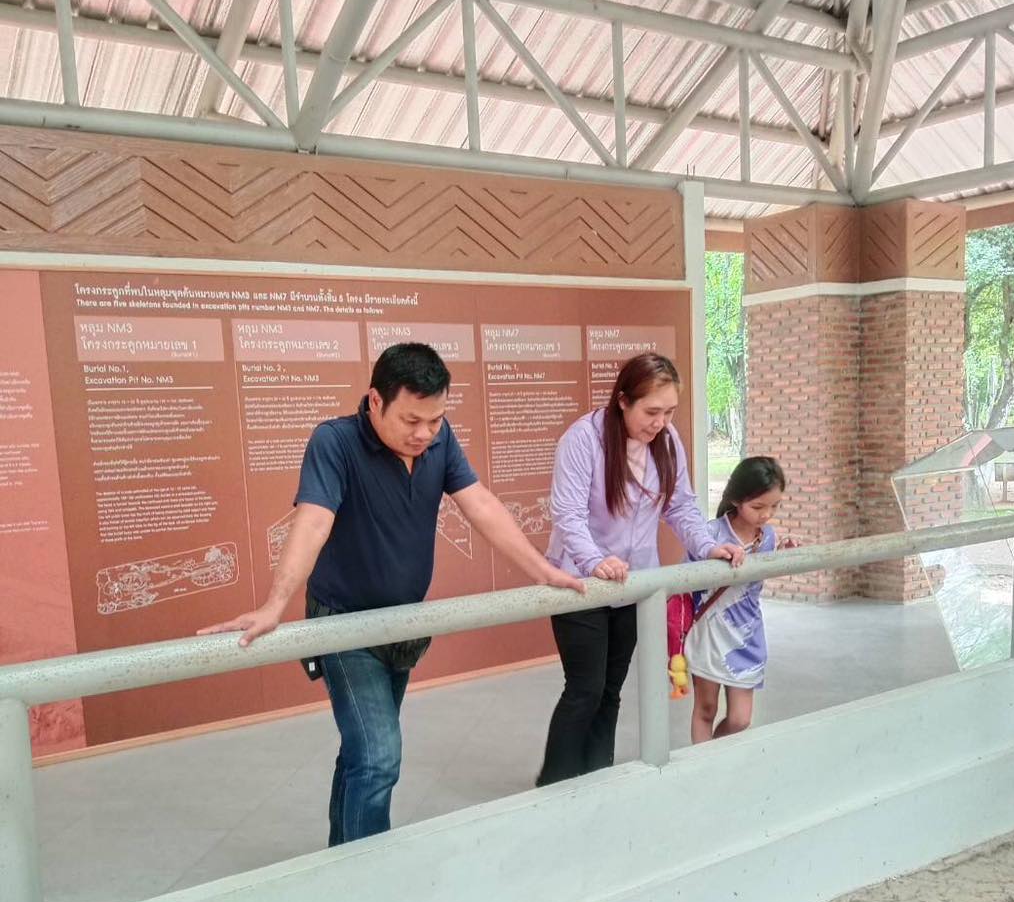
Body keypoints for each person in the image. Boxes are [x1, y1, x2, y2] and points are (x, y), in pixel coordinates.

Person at [200, 343, 585, 844]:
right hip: (343, 625)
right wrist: (275, 605)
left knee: (364, 753)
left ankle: (343, 855)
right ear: (375, 401)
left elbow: (481, 505)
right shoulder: (335, 442)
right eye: (411, 420)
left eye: (435, 419)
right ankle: (369, 871)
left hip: (404, 625)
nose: (424, 433)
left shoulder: (440, 440)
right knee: (379, 755)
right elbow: (313, 522)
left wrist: (542, 570)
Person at [538, 352, 745, 786]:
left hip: (634, 584)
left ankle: (598, 779)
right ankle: (555, 784)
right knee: (585, 689)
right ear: (623, 401)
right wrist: (595, 561)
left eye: (669, 412)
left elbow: (682, 506)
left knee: (611, 691)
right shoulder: (583, 439)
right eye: (652, 411)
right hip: (579, 581)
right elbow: (568, 515)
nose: (660, 422)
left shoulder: (666, 441)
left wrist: (708, 546)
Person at [685, 455, 793, 743]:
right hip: (709, 631)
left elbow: (761, 576)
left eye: (774, 506)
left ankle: (712, 753)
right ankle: (705, 763)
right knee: (705, 709)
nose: (766, 515)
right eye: (758, 507)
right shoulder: (710, 535)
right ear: (736, 499)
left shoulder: (768, 537)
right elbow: (685, 579)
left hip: (747, 634)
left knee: (740, 719)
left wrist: (783, 556)